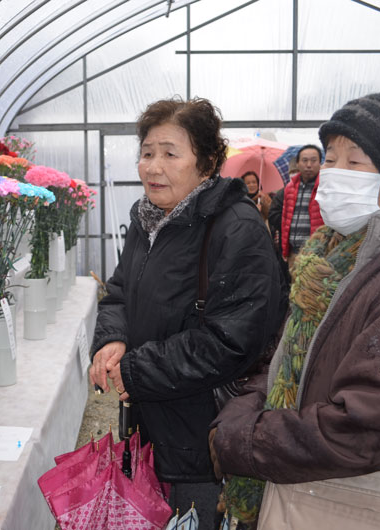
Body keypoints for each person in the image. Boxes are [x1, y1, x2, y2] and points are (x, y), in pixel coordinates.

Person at [209, 90, 380, 529]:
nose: (332, 173)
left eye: (355, 162)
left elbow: (366, 425)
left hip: (367, 505)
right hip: (310, 492)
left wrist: (246, 439)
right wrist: (243, 410)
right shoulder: (333, 258)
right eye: (330, 158)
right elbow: (289, 361)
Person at [88, 97, 284, 528]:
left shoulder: (236, 228)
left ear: (209, 161)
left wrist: (135, 372)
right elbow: (119, 291)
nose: (153, 166)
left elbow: (232, 339)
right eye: (147, 152)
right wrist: (112, 338)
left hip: (201, 437)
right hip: (152, 424)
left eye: (170, 154)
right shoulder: (147, 220)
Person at [279, 144, 324, 269]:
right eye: (304, 160)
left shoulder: (326, 186)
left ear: (320, 163)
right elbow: (285, 220)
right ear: (297, 163)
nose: (309, 165)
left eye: (313, 160)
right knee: (293, 287)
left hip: (317, 254)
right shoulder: (290, 187)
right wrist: (285, 250)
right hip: (294, 253)